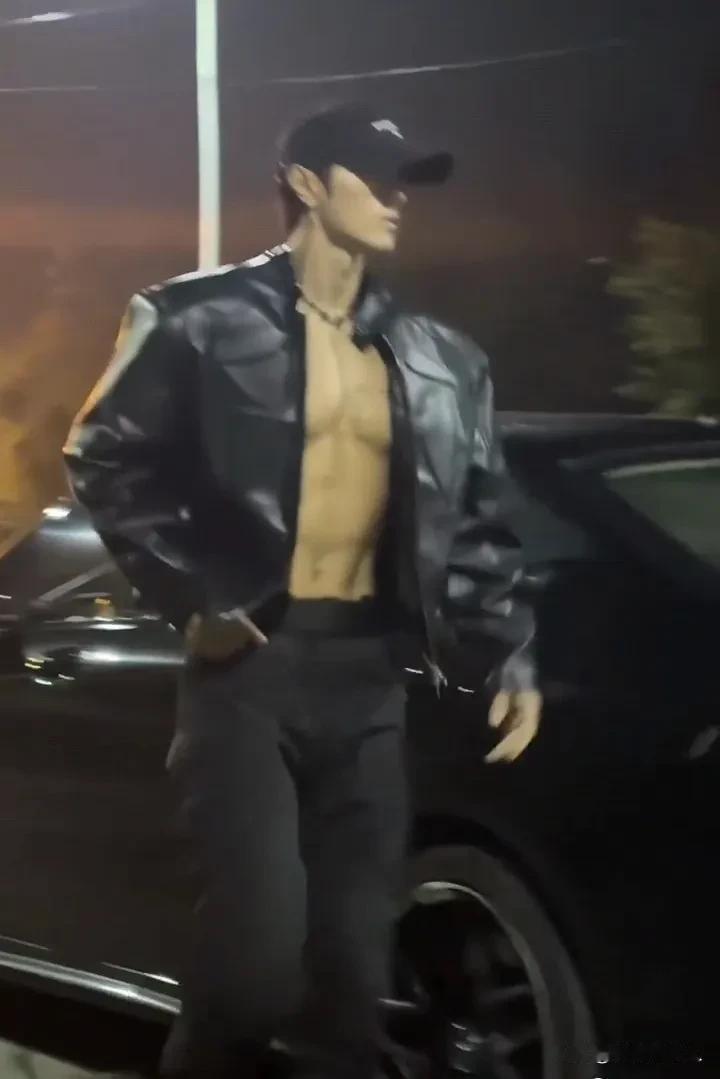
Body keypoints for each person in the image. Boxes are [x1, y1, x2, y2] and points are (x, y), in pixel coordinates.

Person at [64, 103, 542, 1079]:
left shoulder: (442, 358)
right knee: (251, 967)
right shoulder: (196, 319)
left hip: (370, 676)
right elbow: (107, 459)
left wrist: (511, 649)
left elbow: (476, 520)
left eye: (408, 180)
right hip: (248, 669)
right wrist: (197, 598)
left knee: (352, 979)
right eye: (377, 176)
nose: (399, 197)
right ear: (310, 184)